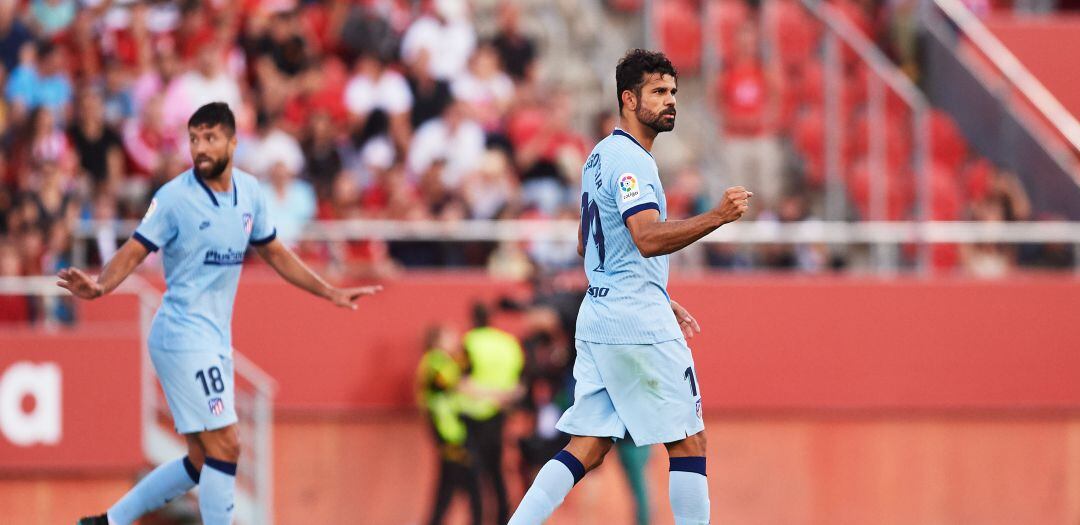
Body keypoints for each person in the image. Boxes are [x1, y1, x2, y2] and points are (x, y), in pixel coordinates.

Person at [62, 102, 382, 525]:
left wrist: (328, 292)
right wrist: (101, 285)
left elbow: (275, 252)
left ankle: (107, 523)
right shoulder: (174, 198)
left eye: (210, 138)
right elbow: (135, 248)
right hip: (181, 335)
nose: (200, 148)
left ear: (233, 142)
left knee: (200, 459)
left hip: (213, 339)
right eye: (194, 139)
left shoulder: (250, 192)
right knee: (227, 445)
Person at [508, 49, 752, 525]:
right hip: (635, 320)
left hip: (600, 313)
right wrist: (717, 217)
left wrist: (654, 289)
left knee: (589, 446)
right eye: (658, 92)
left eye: (674, 93)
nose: (670, 102)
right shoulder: (631, 162)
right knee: (688, 440)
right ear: (628, 98)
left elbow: (587, 244)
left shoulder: (598, 155)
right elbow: (644, 237)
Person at [458, 303, 524, 525]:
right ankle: (503, 519)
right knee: (496, 470)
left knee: (475, 474)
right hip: (500, 412)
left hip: (472, 415)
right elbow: (519, 383)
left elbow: (460, 381)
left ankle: (477, 519)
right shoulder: (509, 343)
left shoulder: (469, 342)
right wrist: (501, 397)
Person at [417, 325, 481, 525]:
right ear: (437, 341)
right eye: (450, 336)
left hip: (452, 429)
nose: (455, 339)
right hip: (448, 431)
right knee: (469, 481)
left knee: (449, 484)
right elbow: (459, 385)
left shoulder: (443, 361)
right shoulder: (436, 361)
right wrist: (500, 394)